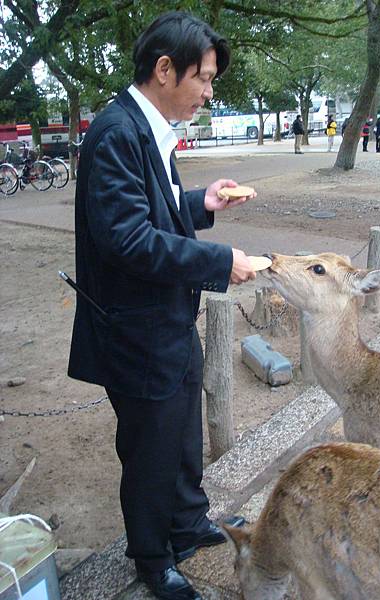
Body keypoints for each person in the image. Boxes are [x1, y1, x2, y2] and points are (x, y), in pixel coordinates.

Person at [67, 12, 256, 600]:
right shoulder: (117, 133)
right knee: (150, 449)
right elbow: (128, 240)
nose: (206, 92)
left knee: (180, 433)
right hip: (134, 329)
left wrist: (204, 202)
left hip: (167, 319)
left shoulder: (149, 129)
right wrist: (222, 261)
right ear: (164, 68)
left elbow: (160, 210)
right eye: (201, 79)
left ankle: (187, 522)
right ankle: (152, 557)